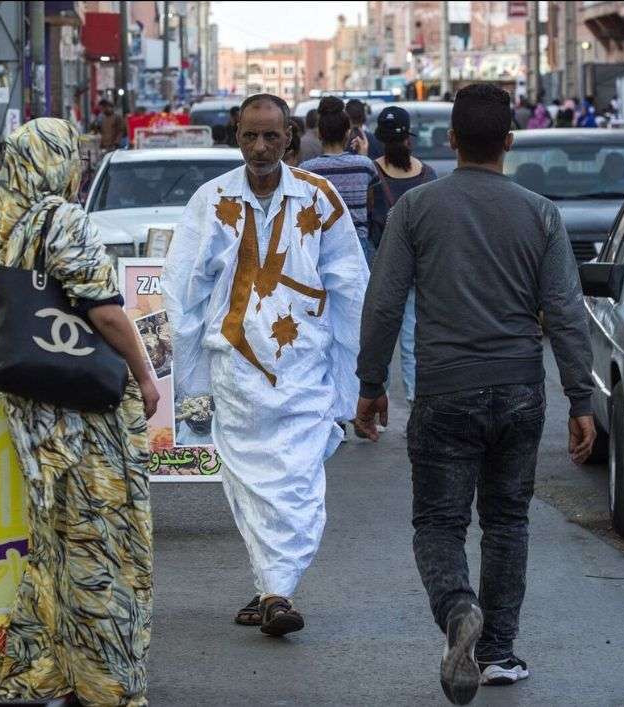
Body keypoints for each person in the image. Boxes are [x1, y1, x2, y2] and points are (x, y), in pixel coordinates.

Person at [354, 84, 595, 705]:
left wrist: (371, 385)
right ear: (509, 143)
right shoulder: (540, 213)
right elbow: (565, 312)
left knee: (438, 523)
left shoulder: (416, 209)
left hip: (445, 392)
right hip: (519, 389)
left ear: (452, 140)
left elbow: (383, 303)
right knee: (508, 523)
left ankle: (459, 608)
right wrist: (580, 399)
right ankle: (498, 653)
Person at [0, 118, 157, 706]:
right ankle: (104, 685)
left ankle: (45, 668)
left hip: (34, 411)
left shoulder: (1, 220)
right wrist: (144, 373)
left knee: (55, 544)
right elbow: (104, 310)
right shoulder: (61, 217)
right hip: (84, 412)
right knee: (102, 544)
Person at [163, 94, 368, 637]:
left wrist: (355, 381)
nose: (259, 147)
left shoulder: (319, 200)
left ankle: (276, 590)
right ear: (237, 136)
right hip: (234, 375)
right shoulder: (210, 201)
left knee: (297, 482)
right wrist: (191, 384)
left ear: (290, 137)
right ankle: (274, 587)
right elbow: (183, 294)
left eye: (271, 137)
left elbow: (350, 290)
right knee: (249, 485)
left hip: (304, 371)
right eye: (250, 136)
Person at [368, 106, 437, 406]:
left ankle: (373, 397)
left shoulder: (369, 171)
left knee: (375, 339)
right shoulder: (428, 174)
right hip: (418, 268)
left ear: (381, 140)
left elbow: (366, 220)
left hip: (380, 269)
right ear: (409, 139)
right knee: (412, 340)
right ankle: (414, 398)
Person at [300, 96, 380, 265]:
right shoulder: (365, 166)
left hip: (321, 247)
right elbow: (370, 204)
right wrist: (363, 157)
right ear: (347, 133)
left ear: (320, 134)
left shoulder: (307, 170)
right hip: (357, 246)